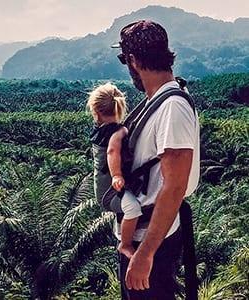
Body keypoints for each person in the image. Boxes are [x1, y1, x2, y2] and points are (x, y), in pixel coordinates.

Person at [111, 20, 200, 299]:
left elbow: (174, 186)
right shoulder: (159, 100)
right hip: (143, 238)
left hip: (152, 243)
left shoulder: (171, 107)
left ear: (134, 61)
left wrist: (145, 254)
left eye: (125, 59)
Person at [87, 82, 142, 259]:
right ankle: (125, 244)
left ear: (95, 111)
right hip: (109, 192)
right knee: (133, 209)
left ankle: (121, 231)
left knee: (125, 208)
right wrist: (117, 174)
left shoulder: (98, 130)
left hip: (101, 187)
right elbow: (112, 151)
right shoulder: (116, 132)